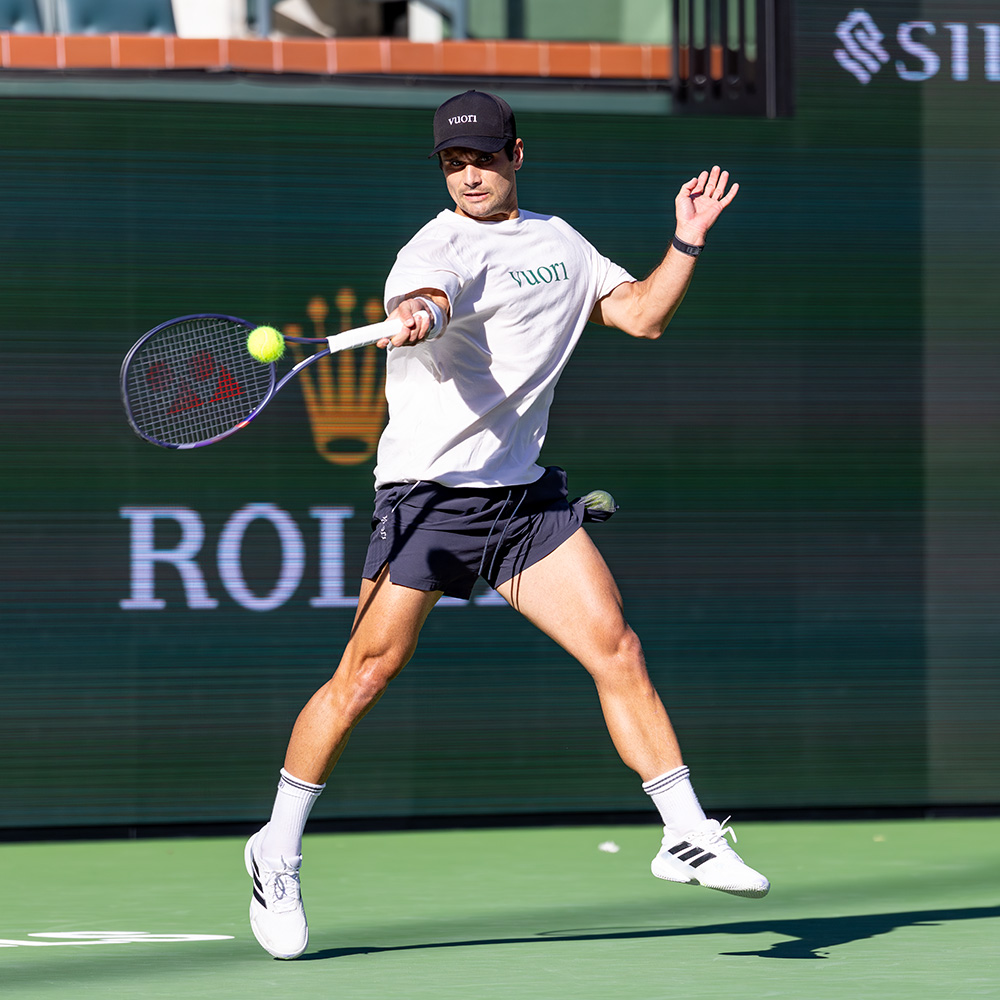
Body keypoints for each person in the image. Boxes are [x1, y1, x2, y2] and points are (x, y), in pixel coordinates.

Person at [244, 90, 769, 961]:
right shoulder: (434, 244)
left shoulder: (562, 243)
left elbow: (640, 314)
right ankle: (277, 845)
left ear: (516, 154)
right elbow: (432, 294)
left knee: (618, 649)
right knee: (364, 678)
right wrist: (420, 312)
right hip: (430, 498)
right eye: (454, 163)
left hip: (520, 503)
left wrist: (686, 241)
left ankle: (684, 831)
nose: (470, 174)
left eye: (483, 158)